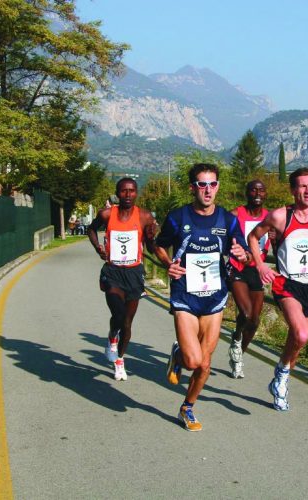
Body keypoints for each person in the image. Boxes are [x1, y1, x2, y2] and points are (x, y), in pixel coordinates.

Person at [153, 163, 249, 431]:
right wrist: (167, 263)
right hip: (185, 295)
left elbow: (243, 252)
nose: (208, 190)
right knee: (194, 360)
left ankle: (188, 407)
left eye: (213, 184)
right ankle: (180, 354)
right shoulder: (178, 217)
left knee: (204, 364)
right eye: (202, 184)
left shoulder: (228, 220)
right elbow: (159, 245)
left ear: (218, 186)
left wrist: (243, 255)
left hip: (215, 298)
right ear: (192, 187)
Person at [248, 167, 308, 411]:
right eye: (302, 186)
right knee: (301, 334)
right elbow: (253, 237)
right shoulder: (279, 217)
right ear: (292, 190)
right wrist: (259, 265)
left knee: (296, 340)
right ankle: (282, 373)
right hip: (286, 283)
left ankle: (281, 379)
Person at [88, 178, 157, 381]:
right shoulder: (107, 214)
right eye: (124, 191)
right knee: (117, 313)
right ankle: (111, 337)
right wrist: (98, 247)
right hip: (113, 272)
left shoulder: (144, 216)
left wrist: (152, 238)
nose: (128, 195)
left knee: (127, 323)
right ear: (117, 193)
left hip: (134, 273)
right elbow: (91, 229)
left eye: (132, 191)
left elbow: (152, 247)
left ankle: (120, 360)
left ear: (137, 193)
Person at [226, 180, 272, 379]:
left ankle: (238, 353)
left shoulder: (270, 218)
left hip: (256, 270)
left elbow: (276, 241)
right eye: (253, 189)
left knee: (254, 320)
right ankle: (236, 337)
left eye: (261, 190)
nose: (257, 193)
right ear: (247, 193)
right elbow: (223, 237)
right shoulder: (235, 215)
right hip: (236, 268)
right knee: (245, 313)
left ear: (266, 194)